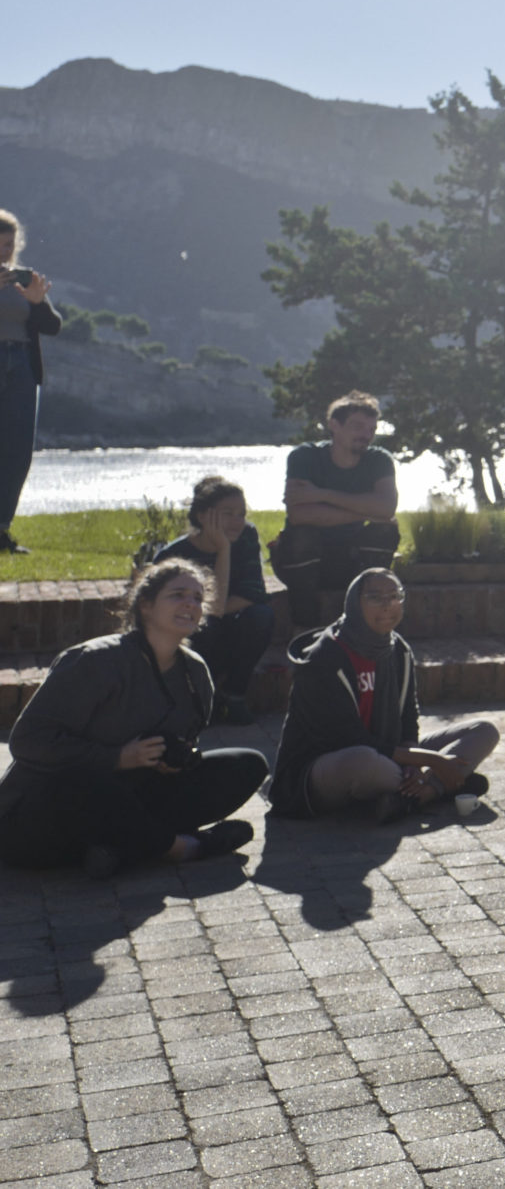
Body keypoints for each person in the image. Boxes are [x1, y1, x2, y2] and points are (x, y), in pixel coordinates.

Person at [0, 559, 267, 878]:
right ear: (145, 605)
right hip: (41, 816)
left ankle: (116, 847)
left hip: (132, 797)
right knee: (87, 783)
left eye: (197, 598)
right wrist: (117, 758)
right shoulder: (95, 660)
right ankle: (186, 847)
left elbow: (185, 742)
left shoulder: (195, 672)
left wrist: (175, 761)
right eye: (178, 594)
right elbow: (27, 740)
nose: (190, 604)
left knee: (247, 764)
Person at [266, 570, 500, 821]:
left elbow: (409, 718)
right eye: (375, 597)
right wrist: (433, 761)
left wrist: (413, 762)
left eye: (395, 595)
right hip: (324, 767)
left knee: (484, 730)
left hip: (390, 753)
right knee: (366, 762)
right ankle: (445, 785)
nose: (388, 604)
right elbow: (349, 738)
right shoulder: (325, 657)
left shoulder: (397, 649)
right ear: (355, 603)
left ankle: (422, 794)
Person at [151, 475, 279, 726]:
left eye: (241, 514)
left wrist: (211, 610)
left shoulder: (246, 536)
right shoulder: (174, 556)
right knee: (206, 626)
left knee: (261, 616)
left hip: (226, 625)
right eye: (228, 513)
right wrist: (223, 550)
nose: (237, 521)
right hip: (189, 637)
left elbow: (253, 594)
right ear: (202, 516)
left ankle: (234, 696)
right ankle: (198, 699)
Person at [271, 391, 400, 629]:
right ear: (334, 426)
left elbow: (387, 508)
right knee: (302, 536)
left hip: (352, 558)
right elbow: (300, 516)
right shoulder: (305, 457)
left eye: (371, 429)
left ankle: (367, 625)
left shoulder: (379, 460)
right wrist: (367, 509)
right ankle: (305, 632)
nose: (366, 435)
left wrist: (322, 495)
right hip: (303, 561)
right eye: (358, 426)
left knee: (384, 532)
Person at [0, 208, 64, 555]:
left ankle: (1, 530)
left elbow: (53, 326)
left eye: (8, 245)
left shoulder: (25, 279)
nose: (3, 253)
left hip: (22, 364)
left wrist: (39, 303)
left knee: (16, 450)